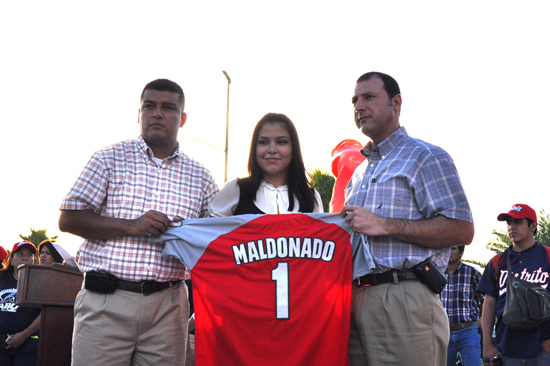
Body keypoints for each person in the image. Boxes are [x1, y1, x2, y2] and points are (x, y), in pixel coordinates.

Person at [58, 78, 218, 366]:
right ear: (139, 114)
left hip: (168, 307)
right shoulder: (109, 159)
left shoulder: (201, 177)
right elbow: (69, 219)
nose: (157, 113)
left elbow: (214, 241)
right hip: (106, 302)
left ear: (182, 119)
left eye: (168, 107)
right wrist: (133, 226)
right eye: (149, 106)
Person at [342, 71, 475, 366]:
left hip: (404, 297)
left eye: (369, 97)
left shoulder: (426, 157)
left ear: (396, 103)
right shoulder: (358, 174)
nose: (358, 106)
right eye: (354, 100)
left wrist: (384, 224)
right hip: (355, 301)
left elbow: (462, 230)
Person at [209, 112, 323, 216]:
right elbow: (209, 233)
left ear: (294, 149)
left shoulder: (311, 197)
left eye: (281, 142)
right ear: (254, 148)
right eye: (263, 142)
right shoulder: (235, 189)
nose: (272, 149)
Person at [477, 204, 550, 365]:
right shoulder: (497, 262)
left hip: (542, 348)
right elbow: (489, 305)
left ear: (533, 226)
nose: (512, 227)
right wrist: (487, 345)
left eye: (518, 222)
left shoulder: (548, 256)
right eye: (509, 223)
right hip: (507, 348)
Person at [441, 245, 484, 366]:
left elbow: (483, 300)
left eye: (453, 248)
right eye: (447, 248)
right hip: (444, 332)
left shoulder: (472, 273)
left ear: (461, 252)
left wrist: (482, 320)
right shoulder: (436, 273)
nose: (449, 252)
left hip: (467, 330)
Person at [0, 241, 41, 366]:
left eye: (30, 255)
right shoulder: (1, 277)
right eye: (20, 254)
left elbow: (45, 313)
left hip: (27, 345)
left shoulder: (40, 283)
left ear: (34, 260)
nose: (25, 257)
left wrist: (23, 335)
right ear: (11, 260)